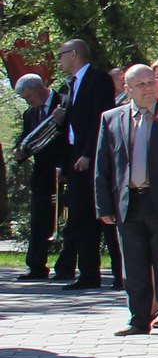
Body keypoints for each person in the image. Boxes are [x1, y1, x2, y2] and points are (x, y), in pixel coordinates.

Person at [97, 64, 158, 335]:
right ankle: (139, 318)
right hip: (128, 202)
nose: (148, 88)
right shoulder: (111, 118)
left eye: (151, 82)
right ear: (126, 88)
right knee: (134, 264)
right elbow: (103, 167)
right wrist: (104, 205)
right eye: (140, 84)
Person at [53, 38, 114, 289]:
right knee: (81, 218)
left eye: (62, 55)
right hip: (74, 160)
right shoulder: (70, 85)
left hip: (93, 158)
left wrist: (89, 153)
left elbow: (100, 118)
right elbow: (74, 123)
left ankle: (121, 274)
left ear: (74, 54)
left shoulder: (97, 79)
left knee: (104, 216)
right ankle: (89, 273)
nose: (60, 60)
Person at [14, 72, 60, 282]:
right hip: (42, 173)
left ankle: (66, 266)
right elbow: (27, 139)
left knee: (70, 220)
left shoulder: (63, 102)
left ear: (38, 89)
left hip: (63, 169)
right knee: (39, 219)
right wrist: (20, 152)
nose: (28, 101)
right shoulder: (30, 113)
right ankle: (36, 266)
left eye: (28, 97)